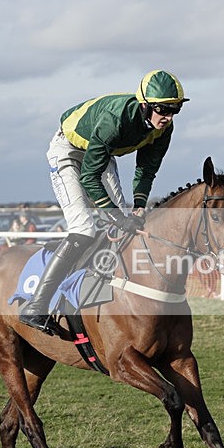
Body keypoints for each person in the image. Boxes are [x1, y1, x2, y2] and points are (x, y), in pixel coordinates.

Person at [20, 70, 189, 334]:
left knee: (124, 227)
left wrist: (139, 206)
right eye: (162, 109)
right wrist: (117, 216)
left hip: (100, 152)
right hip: (68, 150)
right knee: (84, 228)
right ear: (145, 105)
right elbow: (89, 176)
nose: (168, 116)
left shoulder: (163, 129)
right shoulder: (115, 121)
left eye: (175, 109)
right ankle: (36, 306)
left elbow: (146, 170)